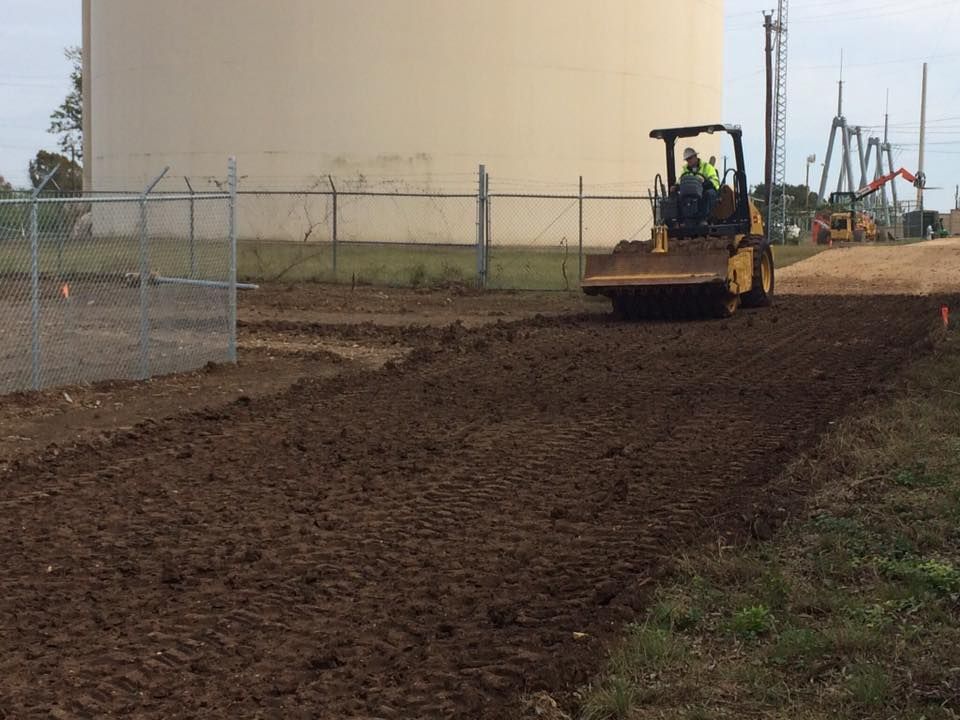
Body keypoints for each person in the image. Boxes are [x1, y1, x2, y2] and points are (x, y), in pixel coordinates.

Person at [680, 147, 720, 223]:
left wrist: (704, 182)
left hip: (705, 190)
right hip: (691, 193)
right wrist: (675, 186)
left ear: (695, 157)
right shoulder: (685, 169)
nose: (689, 161)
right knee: (680, 196)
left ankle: (705, 218)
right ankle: (683, 220)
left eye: (690, 158)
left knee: (709, 193)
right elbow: (680, 181)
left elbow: (715, 182)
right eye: (687, 159)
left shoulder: (707, 167)